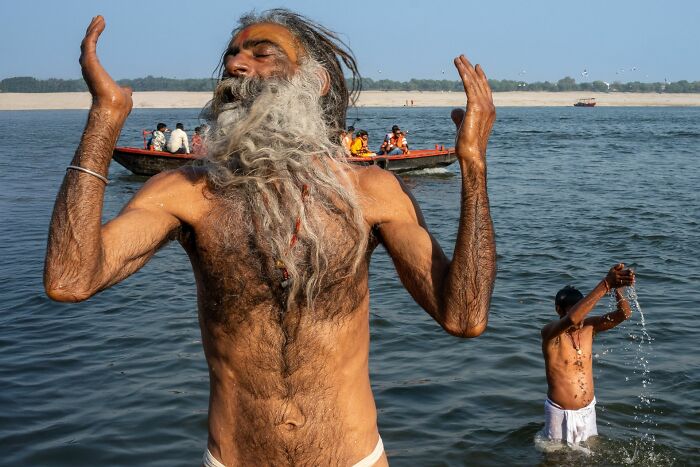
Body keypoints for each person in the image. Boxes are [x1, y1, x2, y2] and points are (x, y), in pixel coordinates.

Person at [45, 10, 496, 466]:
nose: (238, 67)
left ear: (314, 82)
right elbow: (70, 279)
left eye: (262, 54)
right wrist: (105, 119)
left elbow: (463, 316)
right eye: (232, 57)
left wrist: (473, 165)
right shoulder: (187, 192)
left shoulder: (371, 193)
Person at [540, 264, 636, 448]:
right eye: (575, 309)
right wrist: (606, 284)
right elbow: (572, 319)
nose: (582, 317)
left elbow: (624, 314)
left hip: (588, 410)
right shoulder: (550, 334)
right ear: (559, 310)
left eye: (584, 310)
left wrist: (619, 289)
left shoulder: (589, 328)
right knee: (557, 460)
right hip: (560, 413)